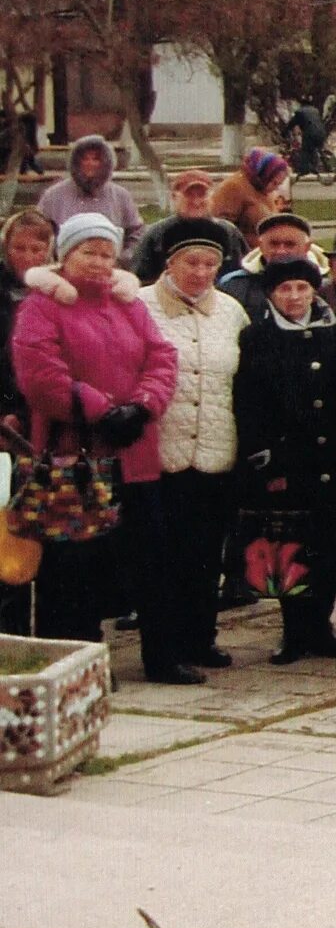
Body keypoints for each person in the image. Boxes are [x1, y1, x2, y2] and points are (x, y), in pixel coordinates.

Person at [11, 217, 184, 675]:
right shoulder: (41, 307)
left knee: (150, 561)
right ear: (65, 256)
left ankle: (162, 658)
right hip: (77, 458)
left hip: (135, 455)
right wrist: (101, 410)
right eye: (87, 251)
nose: (98, 262)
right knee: (74, 571)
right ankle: (78, 670)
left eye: (106, 253)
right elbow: (39, 374)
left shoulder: (129, 305)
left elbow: (162, 357)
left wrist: (143, 406)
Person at [230, 253, 336, 663]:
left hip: (331, 458)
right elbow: (248, 403)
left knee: (329, 544)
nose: (295, 296)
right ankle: (294, 631)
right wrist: (265, 457)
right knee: (289, 546)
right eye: (286, 289)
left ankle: (322, 626)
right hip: (288, 459)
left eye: (302, 287)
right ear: (271, 294)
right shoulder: (257, 338)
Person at [140, 225, 245, 664]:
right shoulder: (142, 306)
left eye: (210, 265)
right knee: (161, 559)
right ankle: (163, 652)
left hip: (216, 451)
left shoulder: (232, 311)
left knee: (205, 556)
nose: (201, 273)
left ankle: (200, 640)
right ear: (170, 263)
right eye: (191, 263)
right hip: (162, 453)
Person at [130, 172, 245, 281]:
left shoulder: (230, 232)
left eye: (202, 195)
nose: (196, 202)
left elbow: (242, 272)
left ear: (212, 198)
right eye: (189, 195)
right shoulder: (156, 234)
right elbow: (139, 276)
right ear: (174, 197)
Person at [38, 135, 142, 237]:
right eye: (85, 159)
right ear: (76, 161)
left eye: (95, 159)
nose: (90, 163)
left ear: (106, 162)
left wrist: (126, 254)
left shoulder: (121, 196)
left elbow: (136, 232)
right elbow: (37, 231)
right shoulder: (54, 195)